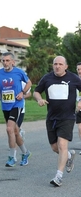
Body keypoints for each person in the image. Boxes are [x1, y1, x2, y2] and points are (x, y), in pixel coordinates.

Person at [33, 56, 81, 187]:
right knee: (55, 147)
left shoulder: (73, 78)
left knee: (62, 144)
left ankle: (58, 176)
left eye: (60, 64)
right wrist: (39, 99)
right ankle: (69, 157)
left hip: (67, 117)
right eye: (55, 64)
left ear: (66, 66)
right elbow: (36, 91)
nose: (57, 66)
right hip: (52, 117)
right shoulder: (47, 78)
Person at [0, 52, 32, 167]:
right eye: (3, 61)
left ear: (13, 62)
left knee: (9, 129)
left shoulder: (19, 72)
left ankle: (12, 157)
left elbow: (29, 82)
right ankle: (25, 152)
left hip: (17, 104)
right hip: (5, 105)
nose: (5, 63)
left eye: (7, 60)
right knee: (14, 131)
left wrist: (22, 92)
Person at [74, 62, 81, 154]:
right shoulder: (75, 80)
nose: (80, 71)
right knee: (80, 128)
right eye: (78, 69)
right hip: (79, 109)